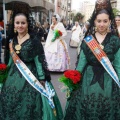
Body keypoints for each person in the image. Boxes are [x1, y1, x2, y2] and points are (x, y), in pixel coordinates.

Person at [0, 3, 63, 120]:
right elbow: (9, 62)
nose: (20, 26)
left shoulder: (34, 42)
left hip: (30, 78)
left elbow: (39, 62)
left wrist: (42, 79)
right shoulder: (11, 41)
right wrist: (3, 76)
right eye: (17, 23)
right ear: (14, 24)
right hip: (12, 77)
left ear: (28, 24)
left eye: (23, 23)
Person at [64, 0, 120, 119]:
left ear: (110, 21)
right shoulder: (88, 40)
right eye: (99, 21)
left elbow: (118, 65)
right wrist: (73, 82)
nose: (101, 24)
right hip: (87, 82)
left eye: (105, 21)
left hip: (109, 83)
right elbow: (81, 63)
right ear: (94, 21)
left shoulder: (115, 41)